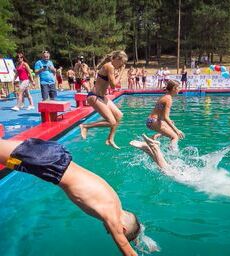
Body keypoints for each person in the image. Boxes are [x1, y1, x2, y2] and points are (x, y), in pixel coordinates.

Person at [0, 137, 141, 255]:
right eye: (112, 232)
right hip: (49, 164)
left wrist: (139, 240)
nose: (109, 231)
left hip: (57, 157)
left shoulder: (115, 201)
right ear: (122, 229)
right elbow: (127, 251)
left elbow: (132, 227)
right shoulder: (112, 217)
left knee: (4, 149)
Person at [130, 134, 230, 205]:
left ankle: (148, 149)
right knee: (168, 172)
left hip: (201, 175)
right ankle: (155, 148)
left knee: (169, 169)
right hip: (200, 180)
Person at [79, 50, 127, 149]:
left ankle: (110, 139)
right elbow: (114, 85)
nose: (121, 66)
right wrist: (122, 71)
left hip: (101, 97)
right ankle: (85, 126)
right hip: (94, 96)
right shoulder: (109, 66)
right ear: (117, 59)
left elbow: (110, 81)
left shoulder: (112, 67)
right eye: (121, 63)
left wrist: (118, 73)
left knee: (119, 115)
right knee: (112, 122)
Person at [146, 80, 185, 150]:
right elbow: (166, 117)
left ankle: (154, 137)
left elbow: (160, 113)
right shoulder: (168, 99)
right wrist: (177, 130)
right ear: (174, 88)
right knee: (175, 136)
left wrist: (170, 124)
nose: (180, 89)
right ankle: (173, 155)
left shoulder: (165, 96)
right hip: (153, 121)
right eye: (179, 87)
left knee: (171, 126)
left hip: (150, 121)